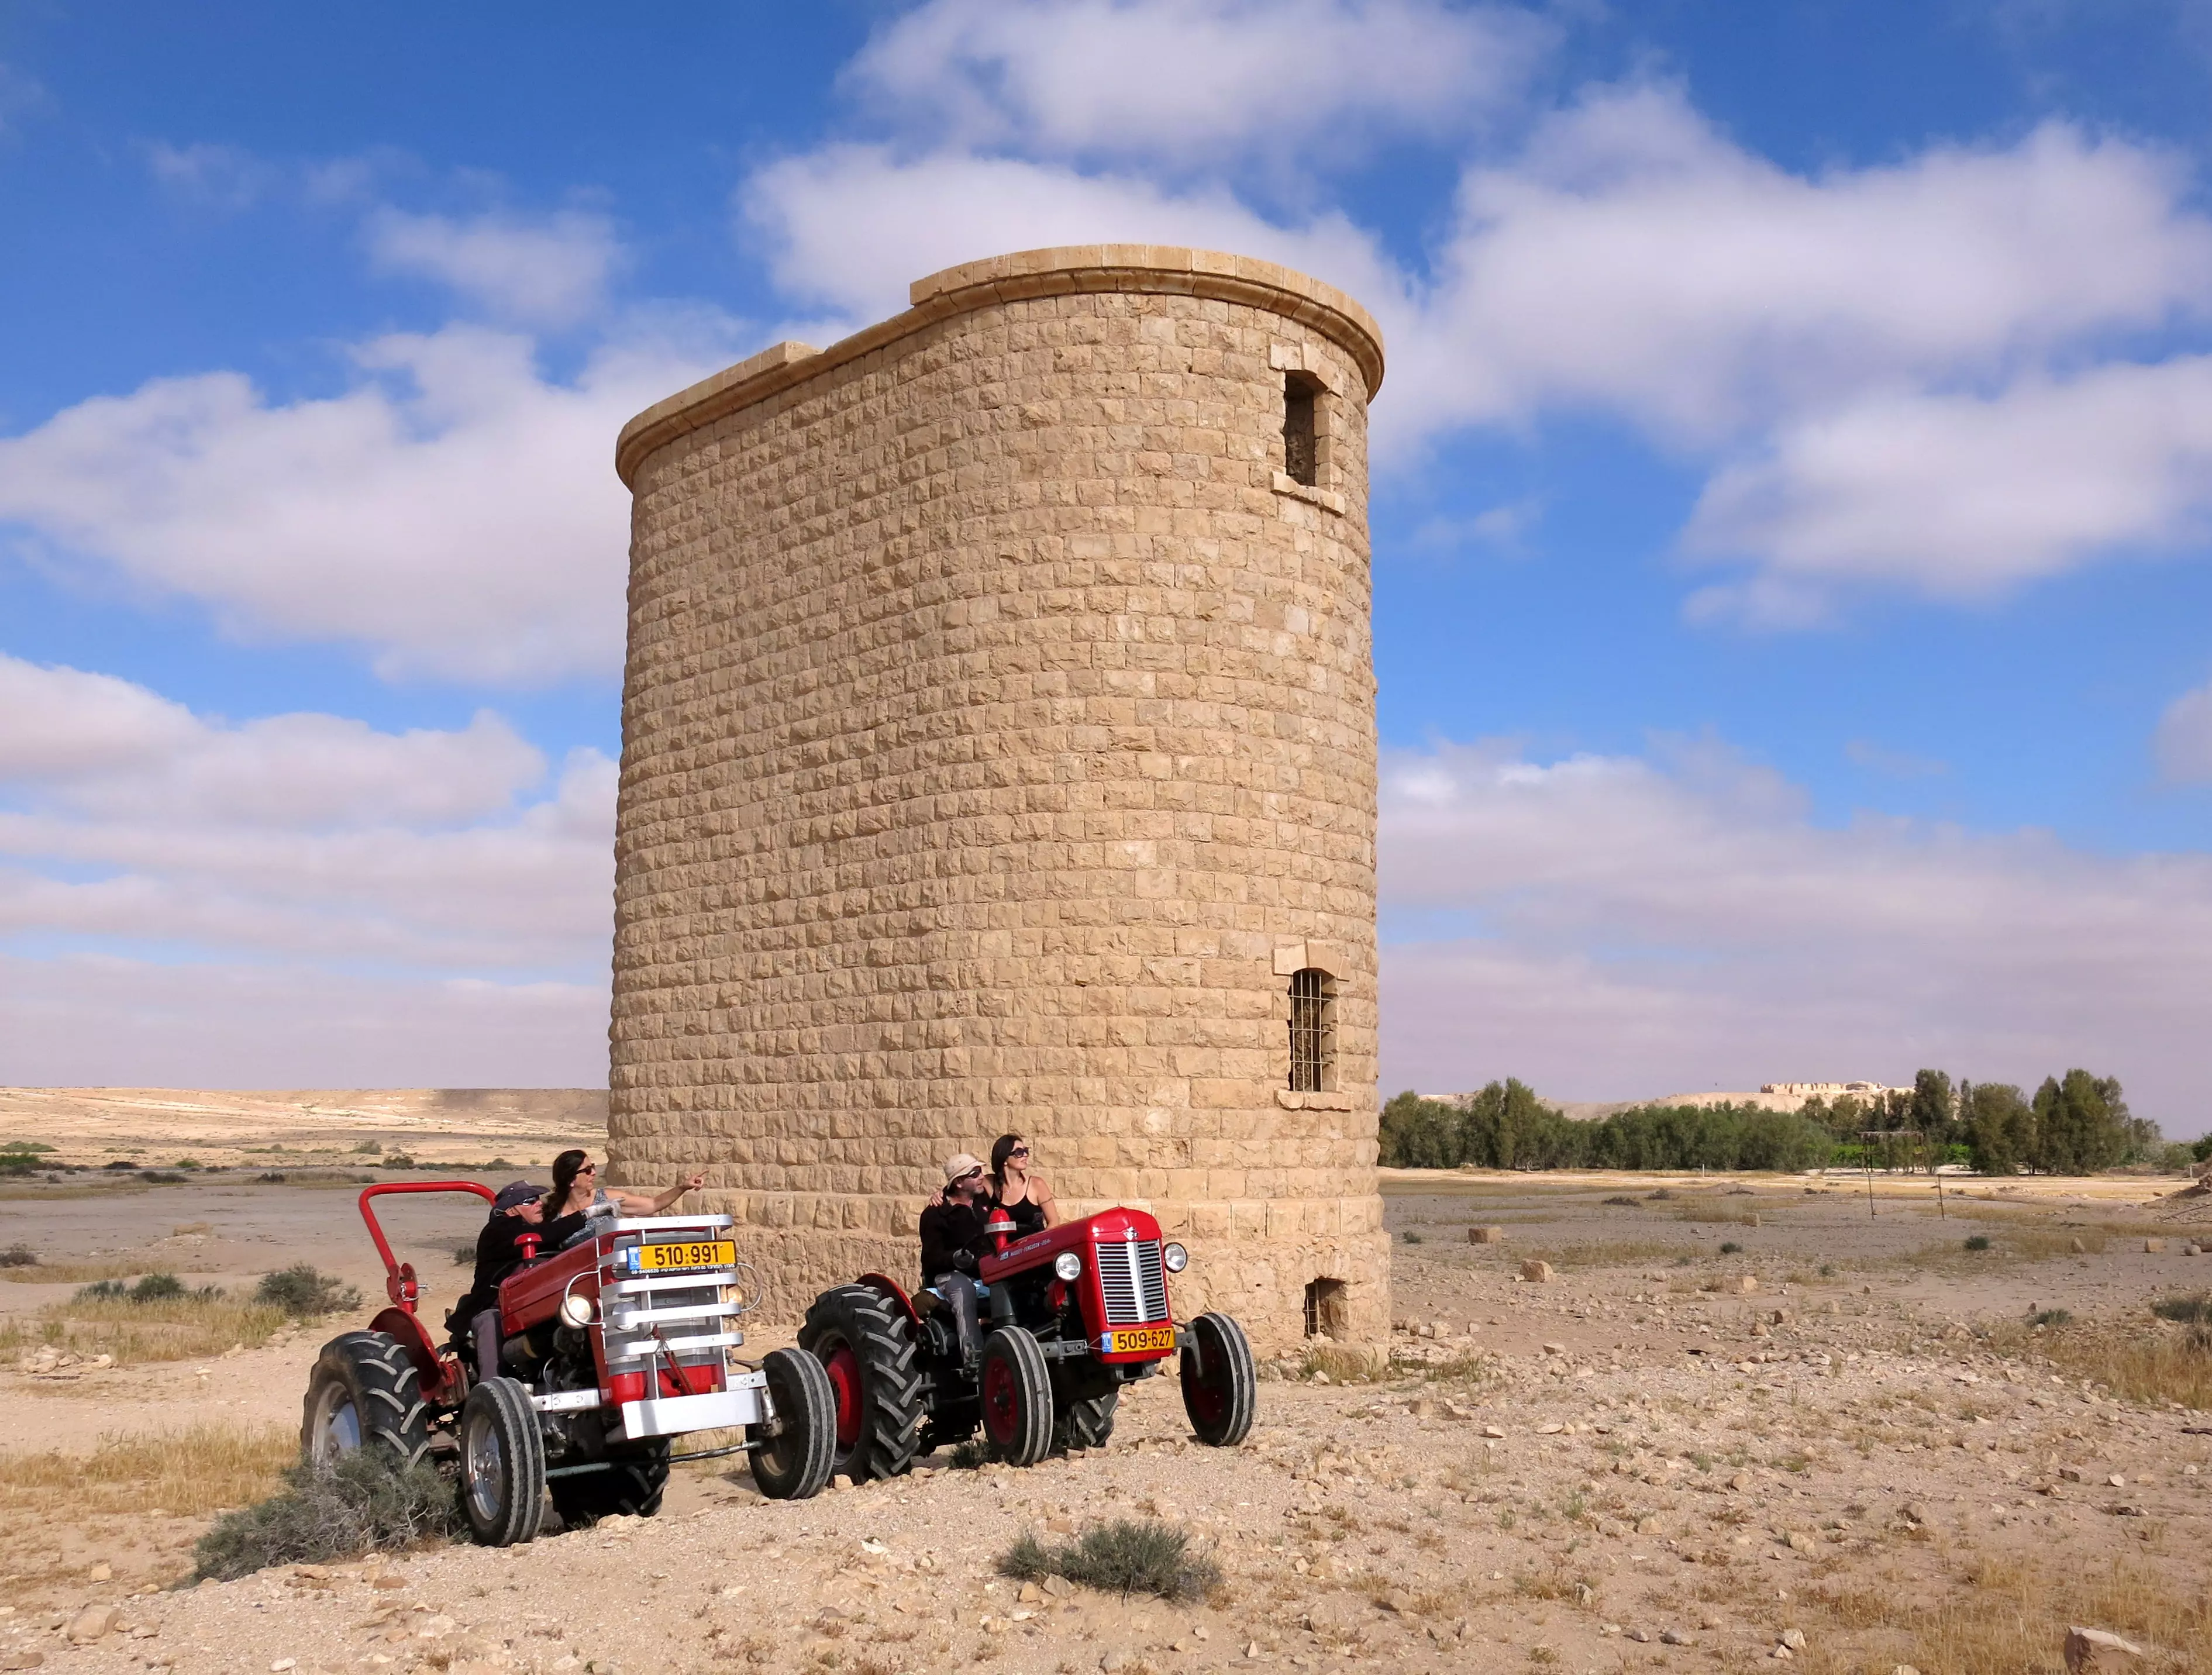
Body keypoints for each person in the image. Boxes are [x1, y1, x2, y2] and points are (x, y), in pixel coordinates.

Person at [452, 1180, 585, 1384]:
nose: (538, 1204)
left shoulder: (540, 1229)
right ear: (511, 1210)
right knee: (491, 1323)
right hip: (495, 1306)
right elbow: (542, 1236)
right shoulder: (499, 1229)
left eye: (538, 1199)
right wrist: (584, 1216)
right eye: (530, 1201)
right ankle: (493, 1392)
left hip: (542, 1303)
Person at [918, 1152, 993, 1369]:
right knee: (963, 1290)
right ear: (959, 1183)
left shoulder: (983, 1200)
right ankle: (974, 1358)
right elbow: (931, 1259)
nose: (981, 1177)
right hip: (950, 1274)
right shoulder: (935, 1215)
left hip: (989, 1268)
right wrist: (956, 1258)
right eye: (975, 1173)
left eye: (981, 1171)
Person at [546, 1149, 708, 1230]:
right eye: (587, 1170)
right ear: (570, 1180)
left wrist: (682, 1187)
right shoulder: (553, 1214)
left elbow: (653, 1204)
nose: (594, 1173)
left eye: (593, 1167)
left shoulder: (608, 1198)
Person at [988, 1133, 1059, 1234]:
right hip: (1003, 1249)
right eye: (1019, 1152)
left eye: (1025, 1151)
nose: (1025, 1155)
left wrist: (1040, 1244)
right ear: (1004, 1159)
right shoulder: (990, 1183)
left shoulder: (1036, 1185)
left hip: (1033, 1247)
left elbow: (1054, 1221)